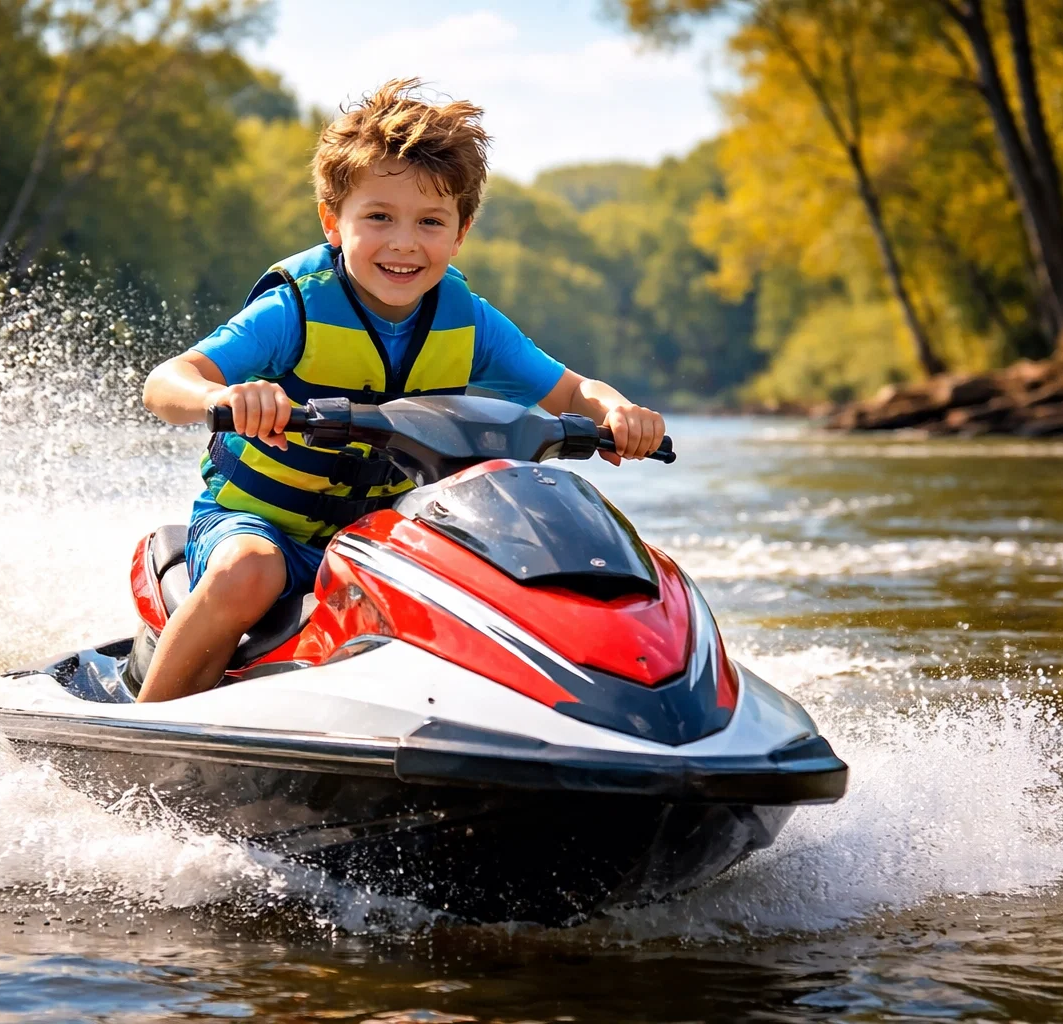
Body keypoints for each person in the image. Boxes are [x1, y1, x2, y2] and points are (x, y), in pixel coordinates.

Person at [137, 78, 667, 702]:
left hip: (385, 536)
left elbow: (575, 392)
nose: (404, 242)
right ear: (334, 223)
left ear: (461, 232)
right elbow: (165, 383)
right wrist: (223, 399)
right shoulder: (293, 311)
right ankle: (149, 730)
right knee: (249, 573)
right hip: (259, 526)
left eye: (431, 221)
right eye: (379, 217)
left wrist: (619, 411)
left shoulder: (470, 323)